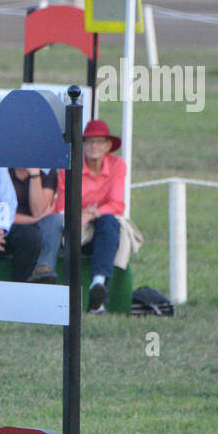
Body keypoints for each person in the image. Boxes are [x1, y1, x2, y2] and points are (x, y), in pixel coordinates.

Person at [67, 119, 129, 312]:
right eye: (90, 141)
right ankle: (96, 296)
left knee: (110, 223)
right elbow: (62, 204)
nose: (94, 146)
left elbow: (117, 203)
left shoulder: (118, 165)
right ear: (83, 144)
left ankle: (98, 284)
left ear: (108, 146)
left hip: (99, 219)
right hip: (73, 221)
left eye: (100, 141)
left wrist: (94, 213)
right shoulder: (70, 165)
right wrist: (82, 215)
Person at [11, 166, 62, 283]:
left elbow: (38, 210)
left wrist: (34, 175)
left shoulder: (48, 171)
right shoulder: (3, 171)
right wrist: (33, 220)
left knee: (55, 220)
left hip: (39, 224)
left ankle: (44, 268)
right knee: (29, 236)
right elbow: (2, 214)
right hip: (9, 224)